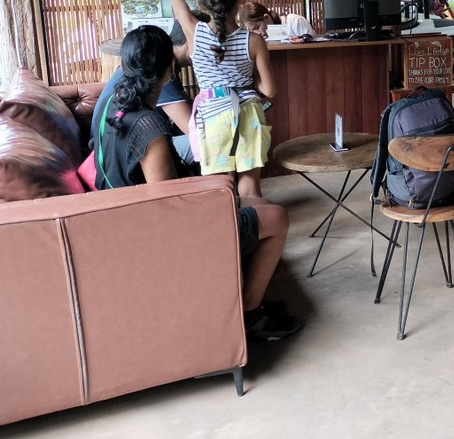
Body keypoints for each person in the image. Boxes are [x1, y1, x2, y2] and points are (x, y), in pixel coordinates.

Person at [92, 25, 300, 341]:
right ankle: (249, 316)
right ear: (168, 72)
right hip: (155, 233)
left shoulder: (113, 102)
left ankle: (245, 294)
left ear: (124, 66)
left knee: (257, 203)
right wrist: (217, 199)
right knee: (277, 217)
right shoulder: (151, 130)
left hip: (122, 216)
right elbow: (171, 210)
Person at [169, 0, 274, 199]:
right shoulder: (254, 41)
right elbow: (269, 89)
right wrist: (248, 78)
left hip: (212, 116)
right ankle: (256, 233)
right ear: (241, 1)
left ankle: (229, 234)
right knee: (250, 187)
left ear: (201, 4)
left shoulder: (194, 32)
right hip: (249, 114)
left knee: (220, 188)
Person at [92, 23, 195, 165]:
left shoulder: (110, 101)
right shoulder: (157, 71)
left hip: (108, 153)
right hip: (126, 150)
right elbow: (192, 129)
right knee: (209, 143)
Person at [238, 0, 314, 39]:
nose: (257, 33)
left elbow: (314, 47)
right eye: (252, 31)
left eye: (257, 27)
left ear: (266, 17)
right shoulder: (262, 40)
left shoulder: (294, 21)